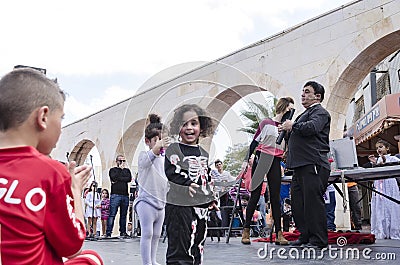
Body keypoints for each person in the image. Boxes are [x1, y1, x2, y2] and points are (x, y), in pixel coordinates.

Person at [0, 68, 103, 264]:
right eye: (61, 118)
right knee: (91, 258)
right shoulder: (49, 173)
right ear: (43, 117)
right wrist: (75, 191)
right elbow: (72, 247)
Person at [280, 81, 331, 249]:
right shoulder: (304, 114)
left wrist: (293, 125)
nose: (303, 94)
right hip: (300, 165)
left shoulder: (320, 112)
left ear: (317, 96)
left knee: (312, 202)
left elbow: (312, 128)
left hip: (313, 163)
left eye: (307, 91)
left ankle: (319, 240)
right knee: (298, 203)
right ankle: (305, 235)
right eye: (302, 91)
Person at [164, 104, 216, 265]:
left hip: (200, 209)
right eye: (184, 124)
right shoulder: (173, 149)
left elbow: (207, 178)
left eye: (194, 123)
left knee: (197, 244)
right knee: (180, 248)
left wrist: (211, 198)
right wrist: (187, 183)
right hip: (179, 207)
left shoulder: (204, 154)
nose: (189, 128)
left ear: (201, 126)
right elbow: (172, 171)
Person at [241, 97, 294, 245]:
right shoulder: (266, 123)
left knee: (276, 197)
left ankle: (279, 233)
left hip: (276, 161)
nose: (291, 113)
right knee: (256, 194)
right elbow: (254, 142)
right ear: (283, 108)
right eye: (290, 109)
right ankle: (246, 230)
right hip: (262, 157)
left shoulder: (287, 128)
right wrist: (246, 160)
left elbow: (288, 146)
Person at [133, 114, 170, 265]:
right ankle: (146, 262)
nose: (160, 144)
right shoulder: (145, 156)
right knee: (147, 233)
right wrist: (156, 148)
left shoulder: (165, 159)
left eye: (162, 140)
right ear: (148, 141)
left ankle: (153, 260)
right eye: (156, 140)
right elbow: (145, 162)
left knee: (157, 234)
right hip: (146, 201)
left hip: (161, 202)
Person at [368, 139, 400, 239]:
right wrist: (375, 164)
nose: (379, 149)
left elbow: (396, 167)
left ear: (387, 148)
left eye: (381, 147)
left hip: (389, 184)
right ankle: (381, 230)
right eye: (377, 148)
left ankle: (393, 231)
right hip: (379, 185)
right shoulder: (378, 160)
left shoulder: (393, 158)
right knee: (380, 207)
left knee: (391, 205)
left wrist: (385, 163)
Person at [106, 154, 132, 238]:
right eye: (120, 161)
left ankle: (123, 232)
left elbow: (128, 179)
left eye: (123, 161)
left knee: (123, 215)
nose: (122, 162)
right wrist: (120, 172)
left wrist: (119, 178)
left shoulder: (127, 170)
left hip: (125, 195)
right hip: (115, 195)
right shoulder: (113, 170)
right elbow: (113, 177)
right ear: (116, 161)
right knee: (112, 214)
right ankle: (108, 232)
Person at [210, 159, 235, 231]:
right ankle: (221, 228)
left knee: (225, 210)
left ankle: (225, 228)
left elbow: (231, 183)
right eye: (217, 165)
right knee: (219, 210)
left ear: (222, 165)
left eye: (219, 164)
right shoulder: (214, 174)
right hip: (218, 194)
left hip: (225, 194)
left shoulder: (227, 174)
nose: (218, 166)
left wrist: (226, 188)